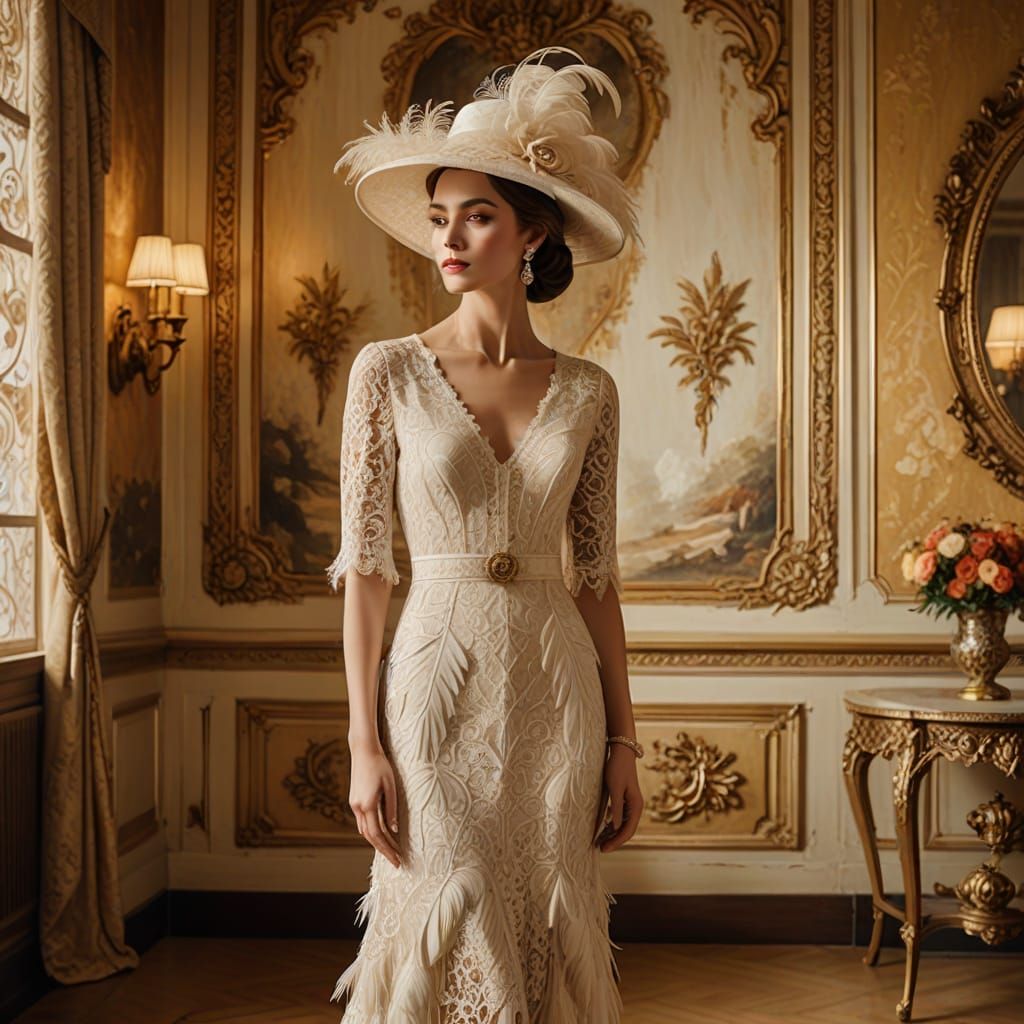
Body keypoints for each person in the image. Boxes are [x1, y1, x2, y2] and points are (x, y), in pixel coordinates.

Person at [326, 46, 644, 1023]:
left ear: (532, 228)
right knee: (446, 897)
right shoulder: (385, 373)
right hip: (435, 678)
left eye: (476, 213)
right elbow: (366, 572)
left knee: (547, 913)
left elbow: (595, 577)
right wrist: (361, 742)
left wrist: (625, 740)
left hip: (556, 689)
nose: (450, 237)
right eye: (438, 217)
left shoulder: (590, 391)